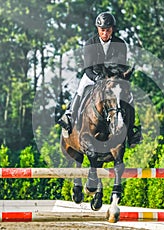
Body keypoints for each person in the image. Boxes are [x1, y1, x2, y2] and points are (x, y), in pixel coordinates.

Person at [58, 12, 142, 147]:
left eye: (108, 30)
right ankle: (69, 116)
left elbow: (120, 66)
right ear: (98, 29)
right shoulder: (90, 44)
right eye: (102, 30)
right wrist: (98, 78)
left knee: (128, 96)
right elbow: (88, 69)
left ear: (112, 29)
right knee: (81, 90)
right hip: (93, 76)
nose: (105, 33)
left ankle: (131, 130)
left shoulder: (120, 44)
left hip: (112, 78)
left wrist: (116, 78)